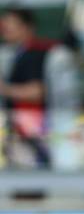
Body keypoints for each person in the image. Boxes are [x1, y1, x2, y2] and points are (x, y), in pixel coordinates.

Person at [0, 9, 52, 168]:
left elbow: (37, 91)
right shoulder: (16, 53)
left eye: (11, 25)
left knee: (29, 173)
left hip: (31, 126)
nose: (5, 29)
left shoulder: (37, 52)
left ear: (27, 27)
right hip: (19, 125)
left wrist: (4, 89)